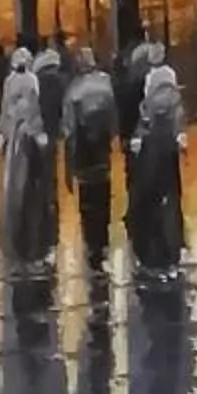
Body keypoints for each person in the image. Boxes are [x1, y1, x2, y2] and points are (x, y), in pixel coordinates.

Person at [127, 64, 186, 278]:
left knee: (150, 208)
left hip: (150, 161)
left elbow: (142, 127)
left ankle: (151, 256)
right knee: (169, 206)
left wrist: (137, 141)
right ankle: (171, 255)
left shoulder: (147, 104)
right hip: (168, 161)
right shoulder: (175, 102)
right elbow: (179, 126)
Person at [64, 51, 121, 268]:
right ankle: (103, 239)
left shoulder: (74, 91)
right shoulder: (105, 85)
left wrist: (68, 168)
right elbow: (114, 120)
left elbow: (69, 130)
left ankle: (92, 243)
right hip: (101, 152)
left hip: (83, 153)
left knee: (87, 200)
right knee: (103, 195)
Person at [0, 59, 56, 264]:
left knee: (17, 185)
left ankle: (19, 232)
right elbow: (35, 110)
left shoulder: (10, 82)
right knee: (33, 187)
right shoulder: (32, 80)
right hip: (28, 136)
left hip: (18, 139)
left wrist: (3, 135)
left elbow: (6, 110)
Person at [117, 32, 165, 150]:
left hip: (136, 136)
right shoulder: (160, 78)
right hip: (158, 137)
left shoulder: (130, 81)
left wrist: (125, 136)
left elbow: (126, 112)